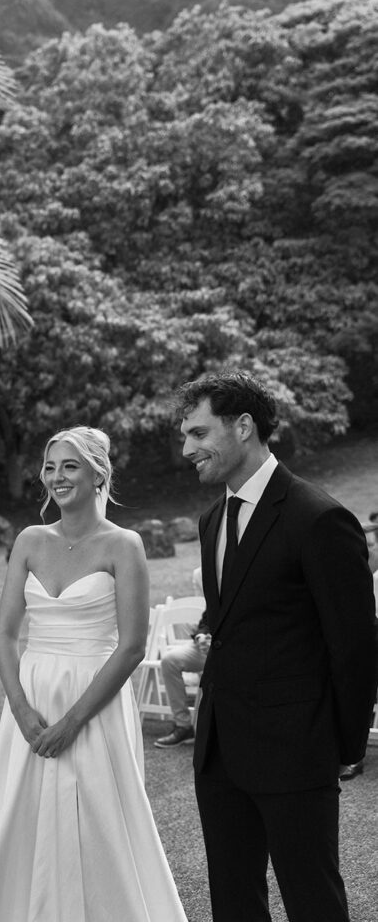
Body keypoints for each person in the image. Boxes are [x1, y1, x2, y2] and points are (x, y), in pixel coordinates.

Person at [0, 425, 187, 921]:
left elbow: (131, 647)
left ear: (98, 474)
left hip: (96, 700)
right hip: (32, 700)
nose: (57, 476)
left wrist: (73, 721)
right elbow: (4, 635)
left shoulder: (124, 545)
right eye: (49, 466)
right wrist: (21, 708)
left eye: (70, 466)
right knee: (20, 811)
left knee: (100, 817)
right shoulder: (29, 540)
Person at [177, 372, 378, 922]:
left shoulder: (318, 516)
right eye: (185, 436)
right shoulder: (212, 519)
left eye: (198, 433)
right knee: (233, 901)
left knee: (313, 901)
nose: (187, 449)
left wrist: (342, 746)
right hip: (219, 750)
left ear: (243, 426)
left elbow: (355, 643)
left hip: (297, 751)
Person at [154, 607, 210, 748]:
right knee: (169, 661)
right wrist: (201, 636)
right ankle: (183, 726)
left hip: (233, 645)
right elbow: (206, 619)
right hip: (203, 644)